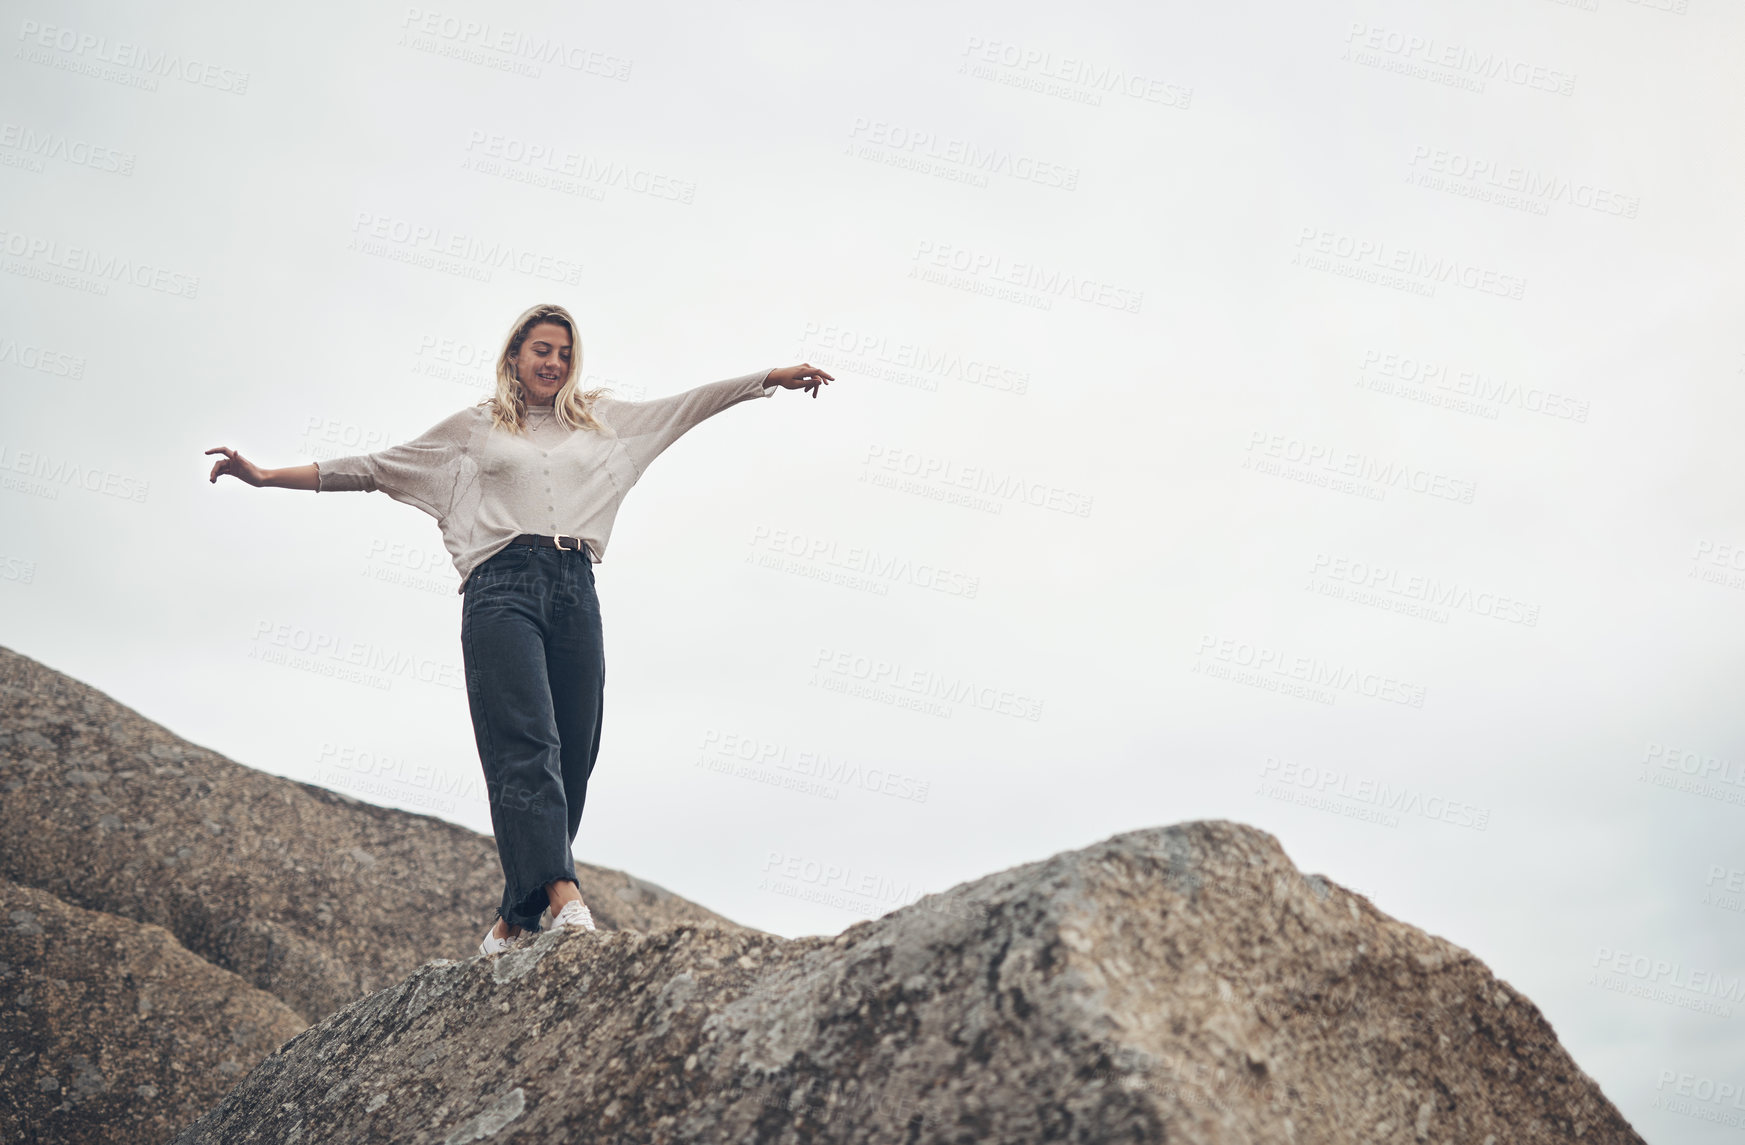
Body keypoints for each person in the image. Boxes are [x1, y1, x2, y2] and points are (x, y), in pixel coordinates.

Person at [206, 302, 833, 956]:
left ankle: (512, 919)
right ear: (514, 356)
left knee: (575, 755)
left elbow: (688, 405)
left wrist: (768, 377)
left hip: (575, 586)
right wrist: (265, 475)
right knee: (525, 743)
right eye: (541, 350)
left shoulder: (603, 423)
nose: (553, 363)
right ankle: (562, 892)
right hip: (500, 588)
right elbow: (374, 467)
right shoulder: (475, 430)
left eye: (563, 353)